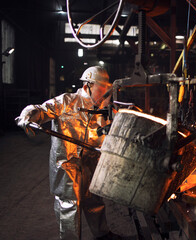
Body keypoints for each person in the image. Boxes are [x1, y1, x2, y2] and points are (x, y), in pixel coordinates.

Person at [15, 66, 120, 240]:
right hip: (67, 164)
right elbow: (40, 110)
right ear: (88, 85)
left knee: (94, 200)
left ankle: (102, 234)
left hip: (91, 162)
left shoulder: (103, 108)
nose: (104, 93)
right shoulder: (66, 102)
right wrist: (28, 116)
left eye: (106, 89)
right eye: (101, 89)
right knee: (70, 205)